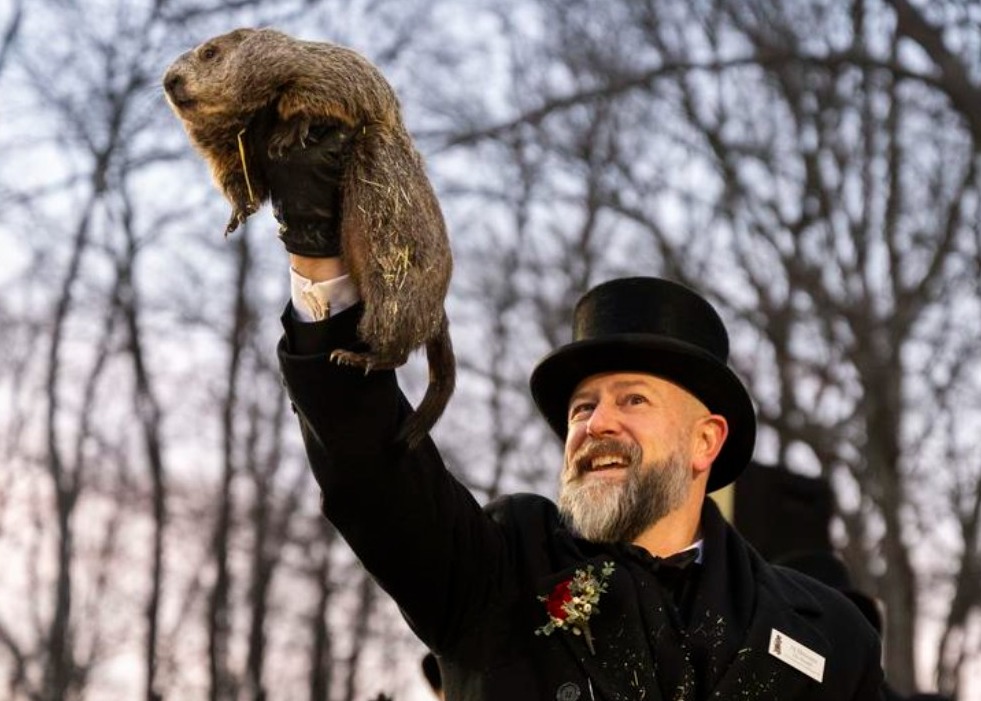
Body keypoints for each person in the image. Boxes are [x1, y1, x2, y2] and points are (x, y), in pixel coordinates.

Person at [267, 130, 886, 700]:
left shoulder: (829, 633)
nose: (595, 423)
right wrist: (322, 263)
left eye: (632, 399)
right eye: (582, 407)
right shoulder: (499, 568)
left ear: (705, 442)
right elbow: (373, 475)